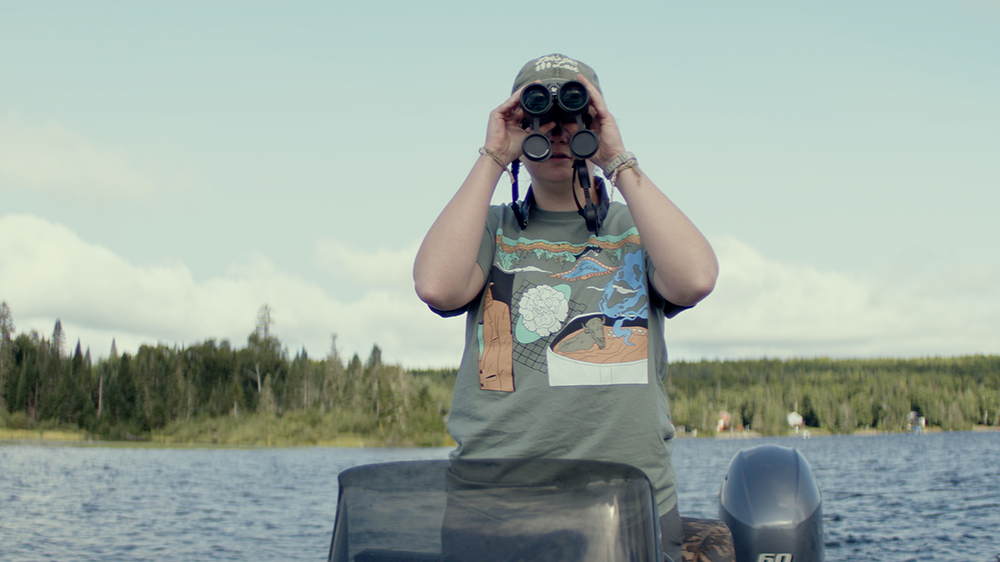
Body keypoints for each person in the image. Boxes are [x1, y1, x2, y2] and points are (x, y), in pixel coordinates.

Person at [413, 53, 718, 562]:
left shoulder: (636, 226)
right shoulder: (491, 228)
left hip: (630, 504)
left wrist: (618, 159)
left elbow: (695, 277)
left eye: (575, 115)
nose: (557, 132)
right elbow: (436, 286)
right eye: (538, 116)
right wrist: (493, 155)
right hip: (495, 507)